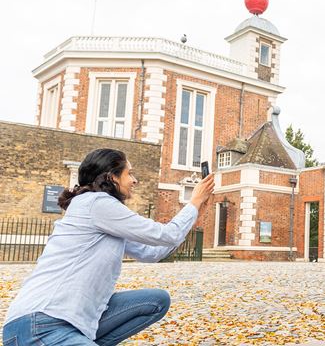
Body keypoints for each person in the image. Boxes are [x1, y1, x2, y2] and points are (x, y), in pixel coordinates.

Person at [2, 148, 215, 345]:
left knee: (157, 300)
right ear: (112, 177)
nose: (135, 180)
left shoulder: (103, 215)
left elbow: (152, 253)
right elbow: (166, 234)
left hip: (69, 325)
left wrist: (194, 215)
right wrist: (193, 202)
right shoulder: (97, 203)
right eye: (129, 174)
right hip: (41, 324)